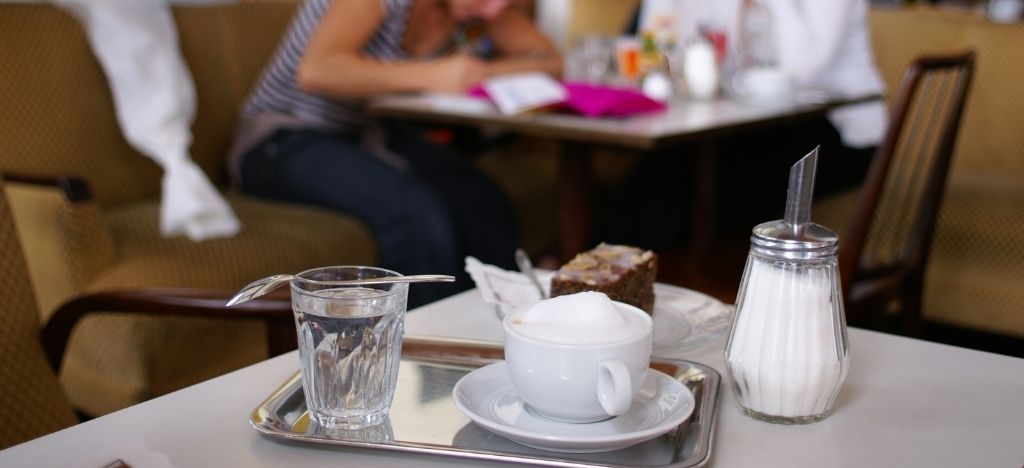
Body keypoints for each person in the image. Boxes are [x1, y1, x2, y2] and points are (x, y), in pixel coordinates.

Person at [229, 0, 562, 307]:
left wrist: (477, 72)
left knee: (483, 200)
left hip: (365, 136)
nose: (493, 11)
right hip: (280, 140)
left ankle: (496, 338)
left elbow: (551, 60)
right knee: (415, 216)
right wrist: (433, 75)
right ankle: (423, 354)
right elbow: (317, 70)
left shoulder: (476, 9)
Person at [603, 0, 887, 247]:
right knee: (666, 170)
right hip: (767, 125)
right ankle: (609, 280)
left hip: (843, 130)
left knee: (701, 182)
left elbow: (801, 70)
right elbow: (700, 54)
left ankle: (687, 284)